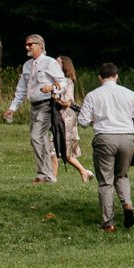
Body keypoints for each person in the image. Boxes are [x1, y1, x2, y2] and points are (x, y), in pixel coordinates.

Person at [78, 62, 134, 232]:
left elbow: (83, 121)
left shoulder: (93, 95)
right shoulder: (130, 94)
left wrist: (96, 118)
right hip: (127, 138)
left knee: (105, 182)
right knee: (122, 175)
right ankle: (127, 204)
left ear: (100, 77)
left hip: (105, 138)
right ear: (116, 76)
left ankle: (108, 222)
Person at [3, 34, 66, 184]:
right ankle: (49, 176)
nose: (27, 47)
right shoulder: (27, 66)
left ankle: (42, 174)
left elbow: (63, 83)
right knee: (39, 139)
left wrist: (52, 88)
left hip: (46, 105)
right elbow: (21, 89)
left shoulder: (50, 63)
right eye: (26, 44)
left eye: (30, 44)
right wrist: (12, 108)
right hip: (34, 107)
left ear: (40, 45)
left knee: (36, 137)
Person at [52, 55, 95, 183]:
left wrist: (55, 100)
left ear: (64, 65)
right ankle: (84, 172)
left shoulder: (67, 82)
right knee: (63, 151)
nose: (55, 63)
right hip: (60, 117)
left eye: (58, 62)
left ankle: (52, 178)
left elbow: (68, 102)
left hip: (67, 118)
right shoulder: (57, 81)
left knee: (53, 148)